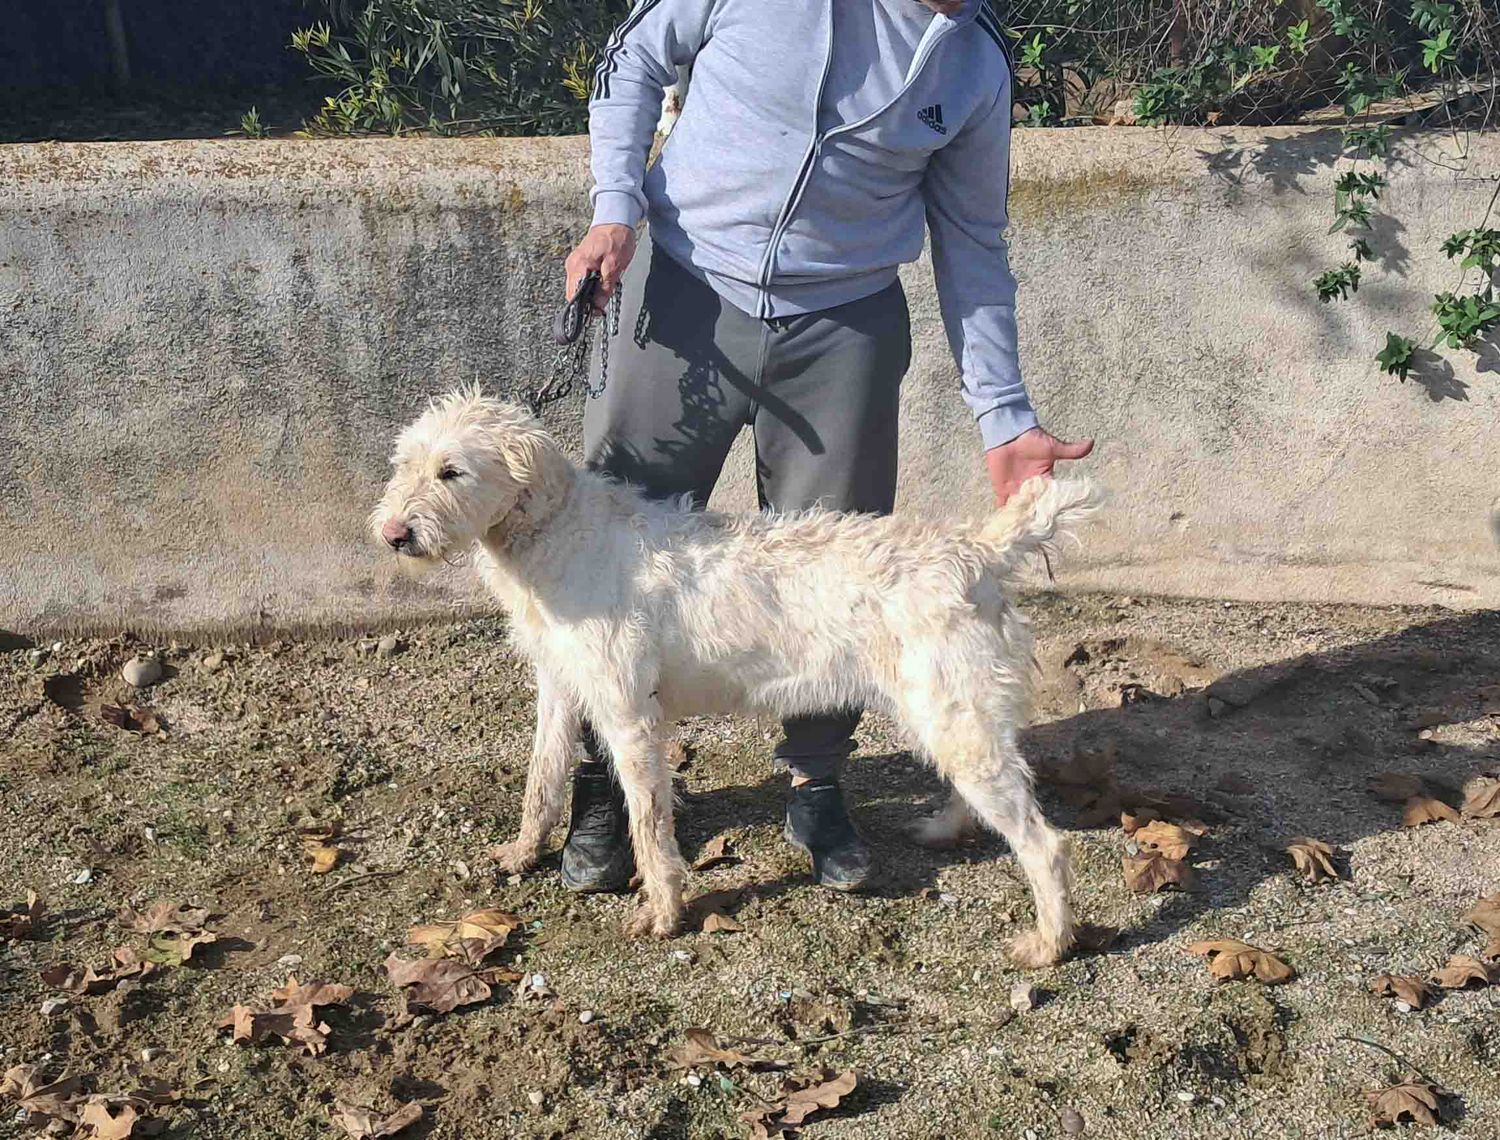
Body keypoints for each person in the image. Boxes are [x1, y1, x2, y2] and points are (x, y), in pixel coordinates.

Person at [554, 0, 1093, 895]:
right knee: (605, 559)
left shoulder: (976, 63)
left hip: (844, 323)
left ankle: (815, 781)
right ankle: (607, 782)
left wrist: (1004, 416)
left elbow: (971, 236)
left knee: (839, 577)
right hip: (683, 289)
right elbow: (631, 57)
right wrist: (616, 207)